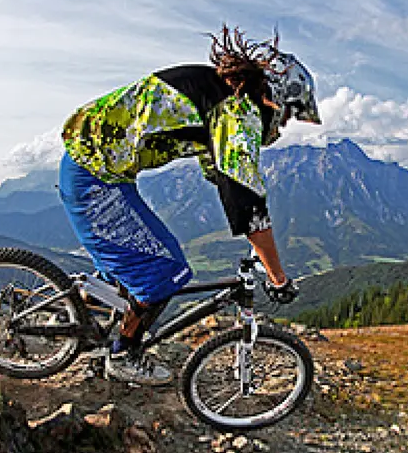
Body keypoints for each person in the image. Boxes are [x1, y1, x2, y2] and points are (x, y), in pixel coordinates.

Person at [58, 25, 320, 385]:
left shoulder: (219, 94)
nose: (286, 123)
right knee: (166, 272)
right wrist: (277, 277)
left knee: (129, 275)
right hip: (94, 174)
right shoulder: (236, 113)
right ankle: (123, 355)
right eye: (290, 113)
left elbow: (223, 176)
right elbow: (246, 200)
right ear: (275, 96)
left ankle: (68, 320)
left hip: (92, 165)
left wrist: (251, 228)